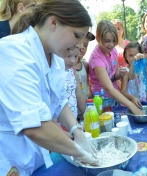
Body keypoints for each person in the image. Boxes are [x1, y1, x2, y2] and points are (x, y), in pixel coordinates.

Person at [0, 0, 99, 175]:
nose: (78, 45)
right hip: (9, 159)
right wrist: (78, 151)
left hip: (36, 159)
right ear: (53, 23)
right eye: (76, 35)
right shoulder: (14, 51)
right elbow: (34, 126)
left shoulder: (54, 58)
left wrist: (77, 130)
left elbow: (59, 100)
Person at [88, 20, 144, 115]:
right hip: (102, 100)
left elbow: (114, 76)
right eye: (107, 41)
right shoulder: (96, 59)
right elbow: (108, 88)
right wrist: (131, 106)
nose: (112, 44)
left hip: (114, 97)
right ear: (98, 39)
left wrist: (120, 73)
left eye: (114, 40)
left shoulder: (113, 51)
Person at [121, 42, 142, 108]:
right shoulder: (125, 71)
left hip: (142, 101)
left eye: (136, 55)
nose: (134, 58)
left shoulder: (143, 69)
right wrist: (132, 98)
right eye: (131, 55)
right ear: (126, 56)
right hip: (130, 103)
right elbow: (123, 92)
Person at [75, 32, 95, 100]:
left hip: (86, 104)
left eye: (85, 45)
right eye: (80, 43)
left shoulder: (85, 65)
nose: (82, 47)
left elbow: (87, 83)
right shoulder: (67, 66)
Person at [111, 19, 130, 90]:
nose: (117, 31)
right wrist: (118, 81)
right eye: (114, 29)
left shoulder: (128, 44)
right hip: (116, 78)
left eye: (119, 29)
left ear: (123, 30)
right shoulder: (110, 46)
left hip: (128, 76)